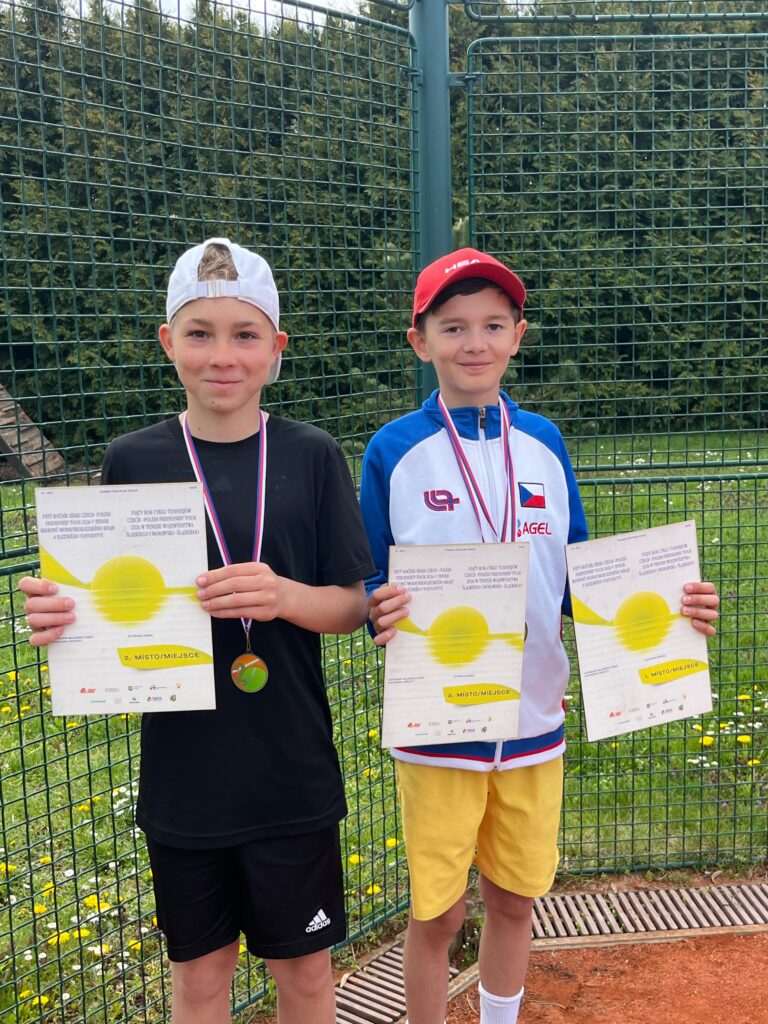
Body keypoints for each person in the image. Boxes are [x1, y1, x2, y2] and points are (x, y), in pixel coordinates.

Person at [359, 247, 720, 1024]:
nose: (475, 342)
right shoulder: (393, 451)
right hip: (439, 728)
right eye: (453, 327)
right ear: (419, 341)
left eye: (493, 325)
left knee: (516, 900)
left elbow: (577, 578)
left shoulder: (545, 443)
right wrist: (373, 605)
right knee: (438, 916)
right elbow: (364, 574)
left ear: (518, 336)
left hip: (533, 722)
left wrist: (671, 609)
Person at [20, 238, 375, 1024]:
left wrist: (285, 595)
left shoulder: (313, 455)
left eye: (245, 335)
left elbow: (352, 606)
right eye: (200, 333)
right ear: (167, 342)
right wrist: (62, 617)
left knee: (305, 976)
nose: (222, 356)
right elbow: (108, 602)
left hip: (290, 770)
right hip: (186, 779)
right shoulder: (132, 459)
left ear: (276, 347)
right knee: (202, 979)